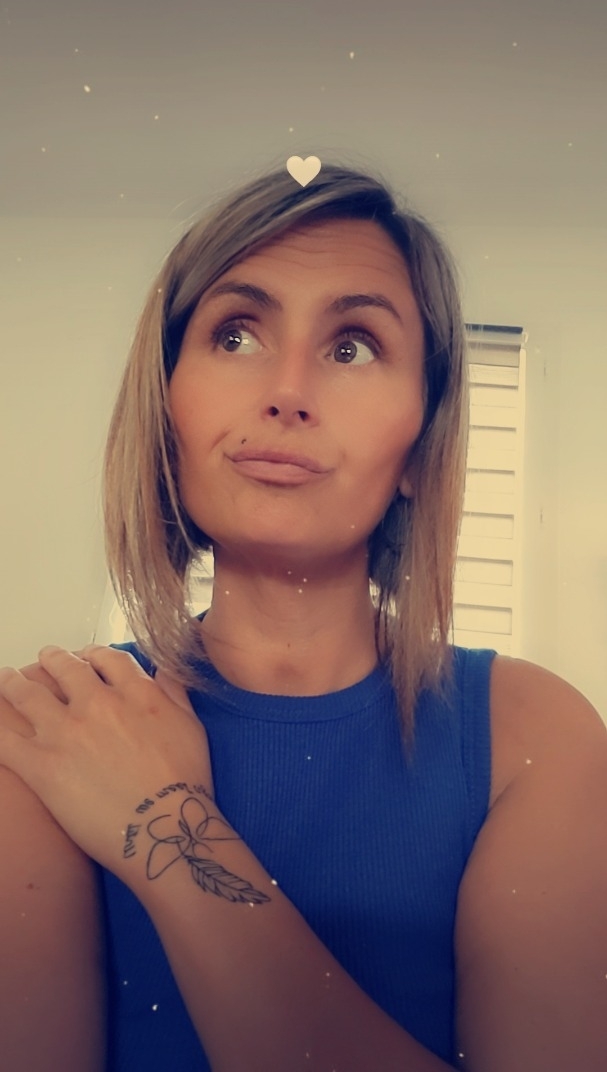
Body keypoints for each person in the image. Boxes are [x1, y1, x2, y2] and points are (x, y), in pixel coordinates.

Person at [0, 161, 605, 1072]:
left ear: (420, 441)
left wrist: (162, 821)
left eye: (352, 346)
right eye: (236, 334)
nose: (285, 391)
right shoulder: (49, 730)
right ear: (167, 406)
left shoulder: (536, 732)